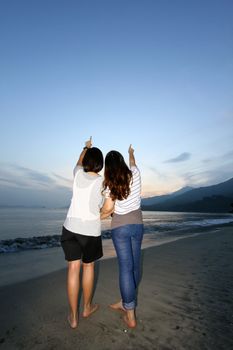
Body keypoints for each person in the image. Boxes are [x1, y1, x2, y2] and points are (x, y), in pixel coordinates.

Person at [61, 137, 104, 329]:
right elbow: (103, 208)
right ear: (100, 164)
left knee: (72, 270)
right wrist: (104, 215)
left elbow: (79, 161)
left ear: (86, 161)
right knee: (88, 268)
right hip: (90, 231)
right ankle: (86, 308)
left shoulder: (78, 174)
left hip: (70, 228)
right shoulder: (102, 182)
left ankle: (73, 317)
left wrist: (85, 147)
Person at [101, 145, 144, 328]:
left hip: (120, 227)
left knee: (126, 269)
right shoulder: (135, 172)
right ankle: (125, 301)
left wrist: (97, 215)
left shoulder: (110, 185)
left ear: (108, 168)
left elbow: (107, 209)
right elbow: (133, 163)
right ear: (122, 162)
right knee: (134, 267)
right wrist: (131, 153)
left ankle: (130, 314)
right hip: (137, 225)